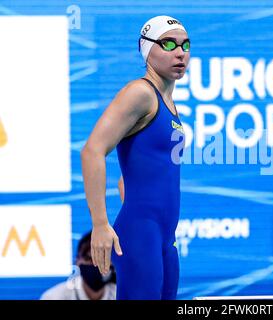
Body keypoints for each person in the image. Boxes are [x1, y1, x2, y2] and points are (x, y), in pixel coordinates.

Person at [81, 15, 189, 299]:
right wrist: (101, 224)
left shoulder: (168, 103)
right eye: (168, 44)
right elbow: (93, 150)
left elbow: (135, 173)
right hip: (142, 233)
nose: (180, 52)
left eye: (185, 45)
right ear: (146, 49)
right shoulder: (140, 93)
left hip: (164, 237)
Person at [40, 231, 116, 300]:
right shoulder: (54, 297)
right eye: (89, 258)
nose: (96, 264)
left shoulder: (122, 295)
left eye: (103, 258)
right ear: (77, 261)